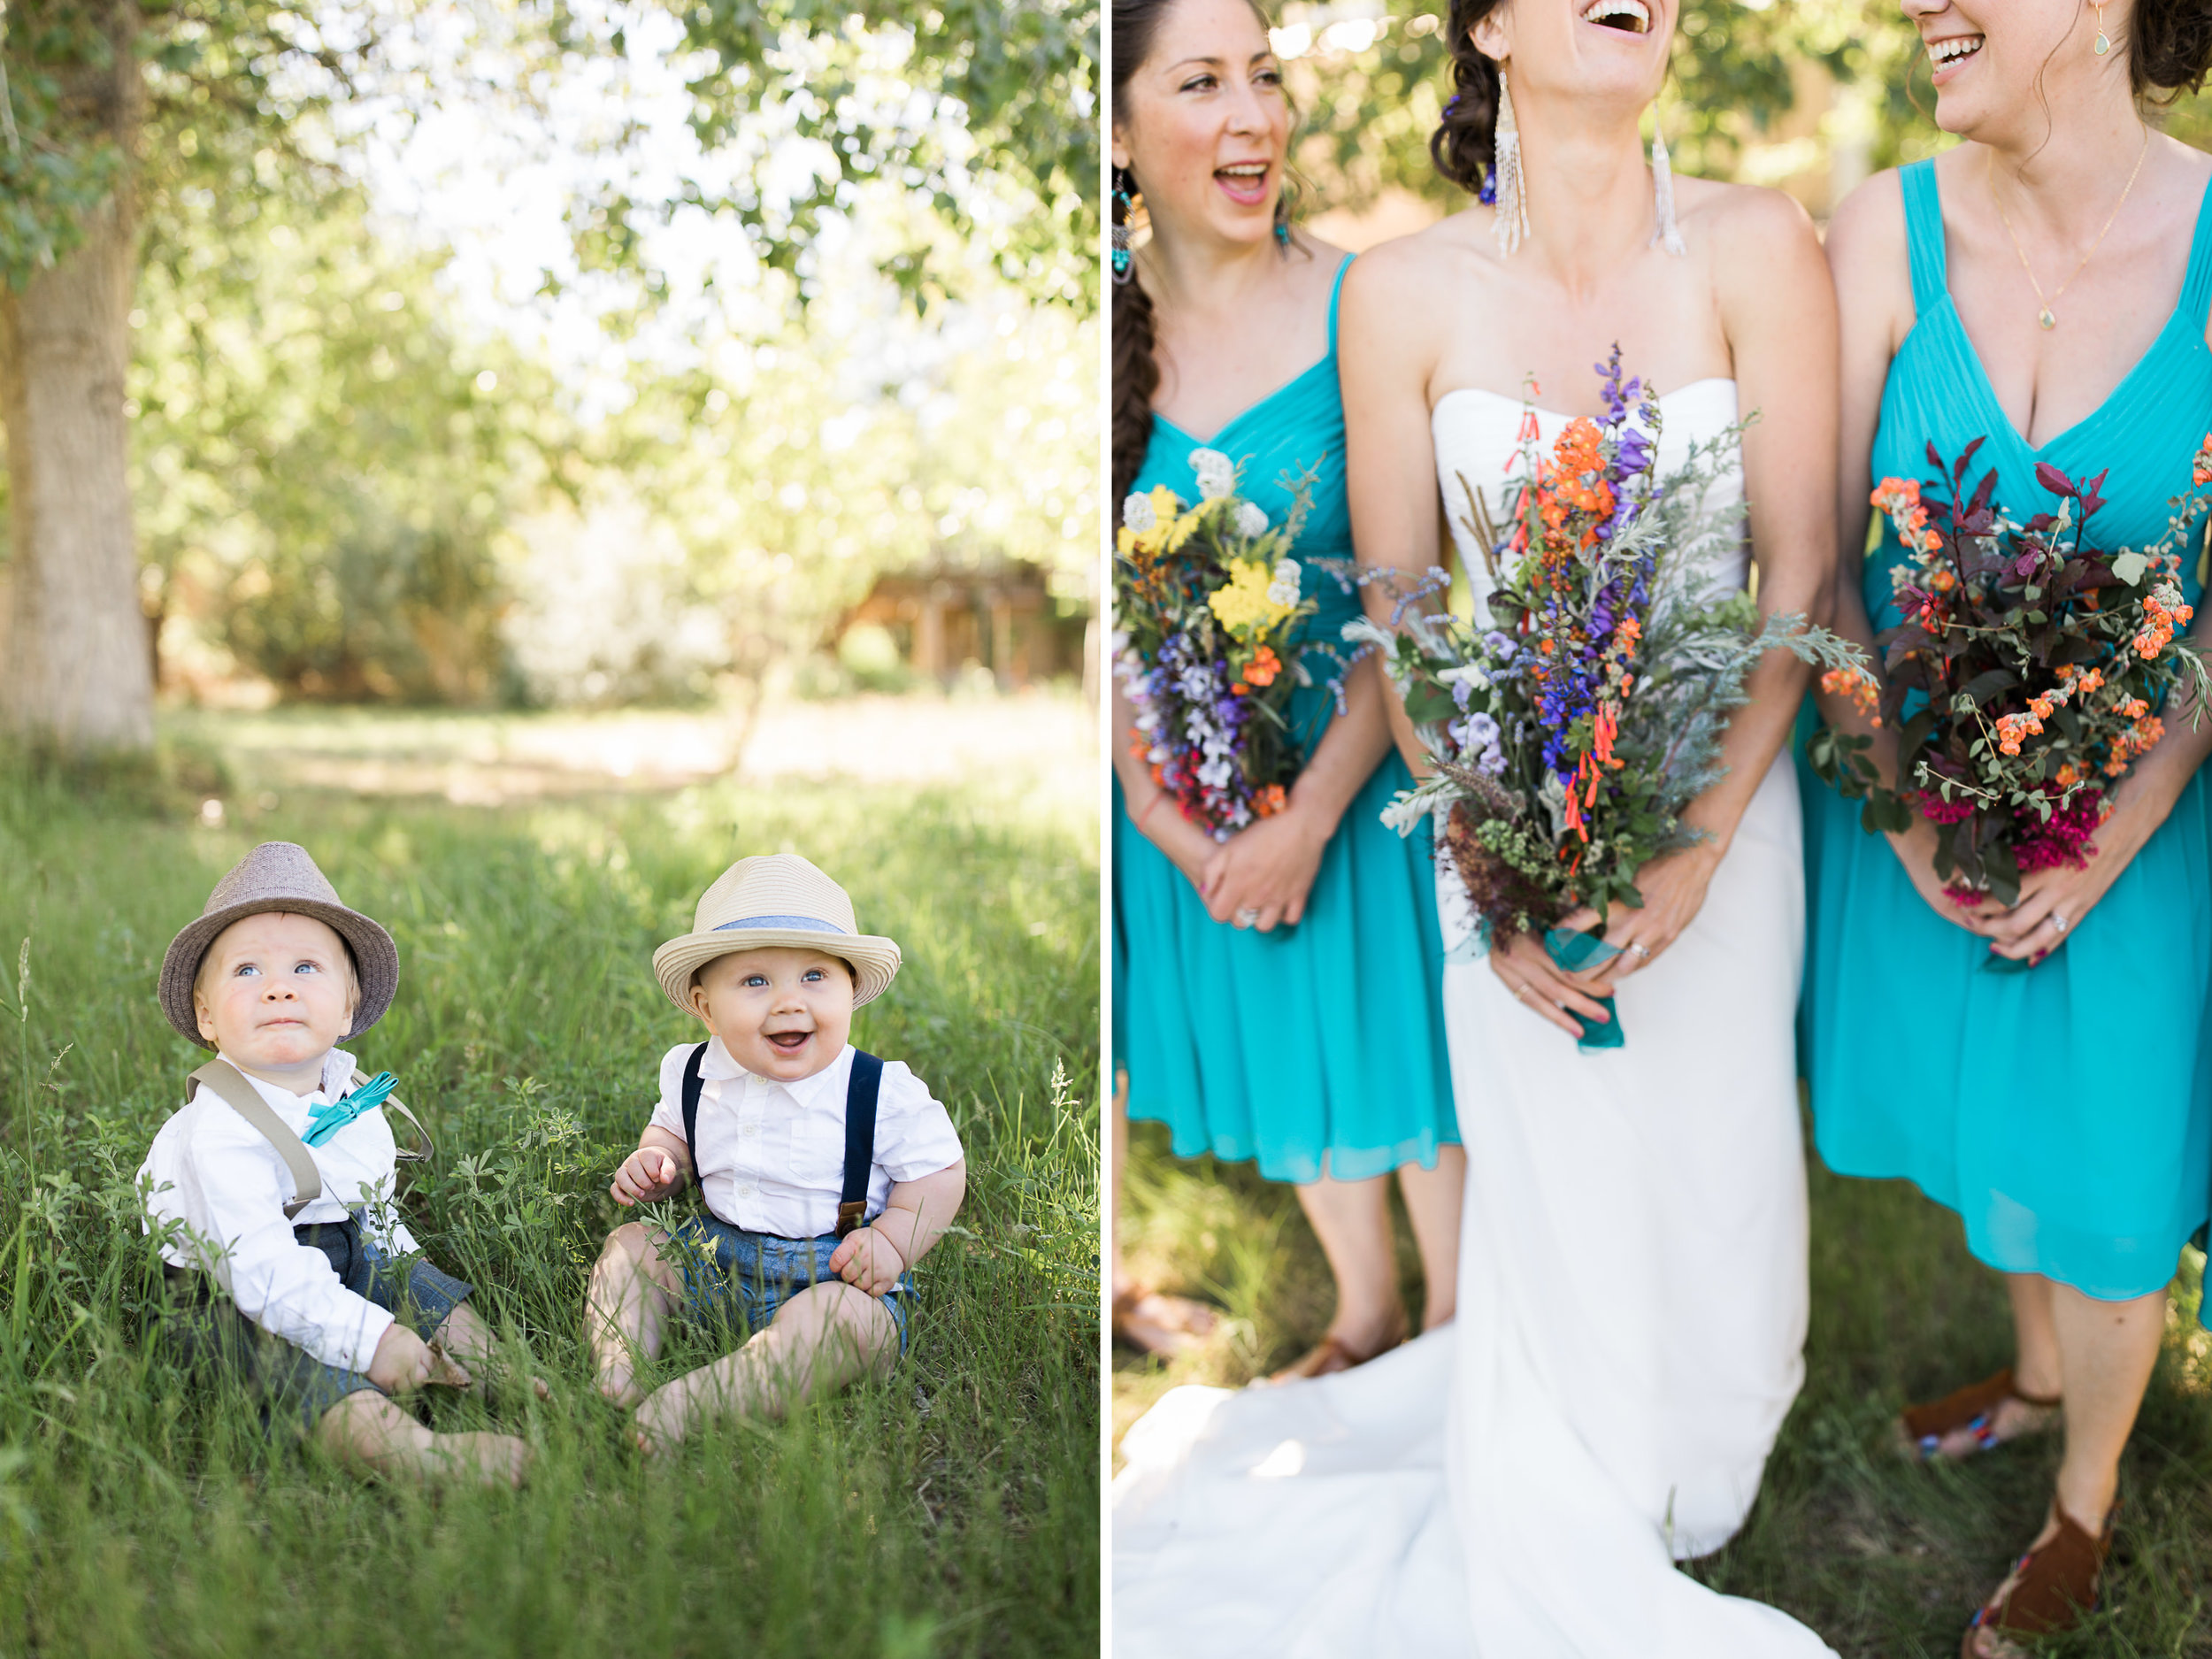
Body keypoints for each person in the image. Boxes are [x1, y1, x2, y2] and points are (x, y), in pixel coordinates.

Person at [1117, 0, 1841, 1648]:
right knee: (1561, 1192)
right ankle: (1567, 1461)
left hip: (1725, 813)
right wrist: (1490, 852)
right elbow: (1402, 608)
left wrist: (1702, 836)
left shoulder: (1756, 242)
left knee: (1724, 1184)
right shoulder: (1402, 290)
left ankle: (1702, 1465)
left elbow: (1799, 577)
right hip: (1497, 828)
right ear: (1493, 24)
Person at [1801, 0, 2212, 1647]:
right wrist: (1901, 807)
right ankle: (2035, 1379)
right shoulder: (1882, 232)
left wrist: (2132, 808)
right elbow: (1823, 565)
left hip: (2149, 819)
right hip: (1923, 802)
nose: (1923, 4)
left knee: (2111, 1166)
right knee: (1996, 1116)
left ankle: (2086, 1504)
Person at [1109, 0, 1462, 1381]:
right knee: (1297, 1046)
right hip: (1188, 790)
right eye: (1203, 83)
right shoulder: (1100, 338)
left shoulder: (1364, 298)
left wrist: (1312, 812)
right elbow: (1111, 628)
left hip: (1365, 762)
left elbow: (1413, 592)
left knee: (1406, 1051)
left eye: (1266, 75)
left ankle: (1458, 1330)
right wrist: (1167, 813)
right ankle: (1363, 1307)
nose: (1255, 114)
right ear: (1122, 132)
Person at [141, 841, 532, 1486]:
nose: (278, 987)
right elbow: (260, 1268)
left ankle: (491, 1362)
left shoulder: (351, 1097)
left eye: (305, 967)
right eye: (246, 971)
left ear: (347, 1007)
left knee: (403, 1266)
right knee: (291, 1362)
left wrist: (402, 1289)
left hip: (332, 1247)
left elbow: (373, 1214)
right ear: (206, 1016)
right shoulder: (218, 1128)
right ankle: (418, 1455)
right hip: (226, 1290)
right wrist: (370, 1339)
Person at [588, 853, 964, 1448]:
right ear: (706, 1007)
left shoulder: (877, 1089)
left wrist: (893, 1240)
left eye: (814, 976)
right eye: (756, 981)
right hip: (715, 1255)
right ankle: (620, 1370)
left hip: (836, 1274)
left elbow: (941, 1171)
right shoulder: (692, 1071)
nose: (789, 1001)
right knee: (632, 1247)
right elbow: (674, 1135)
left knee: (845, 1326)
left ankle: (698, 1400)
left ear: (850, 989)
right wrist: (659, 1162)